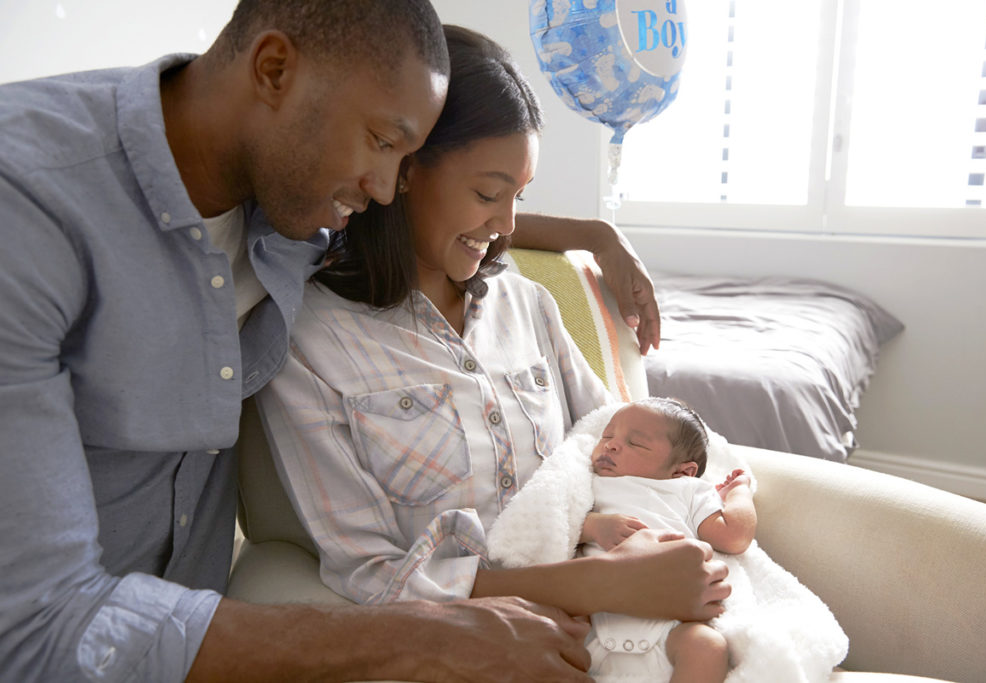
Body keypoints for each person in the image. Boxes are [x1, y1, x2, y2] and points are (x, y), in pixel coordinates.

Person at [0, 1, 670, 681]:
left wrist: (595, 236)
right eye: (383, 142)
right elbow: (38, 626)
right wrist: (421, 635)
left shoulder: (297, 190)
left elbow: (443, 210)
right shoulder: (27, 206)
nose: (385, 187)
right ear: (273, 69)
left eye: (404, 157)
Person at [256, 22, 729, 649]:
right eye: (488, 193)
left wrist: (718, 498)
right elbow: (372, 573)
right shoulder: (310, 340)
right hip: (493, 641)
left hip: (624, 613)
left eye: (520, 197)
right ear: (402, 170)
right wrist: (602, 586)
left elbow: (613, 440)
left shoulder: (526, 303)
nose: (506, 225)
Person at [581, 398, 756, 683]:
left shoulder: (687, 490)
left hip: (668, 624)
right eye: (607, 436)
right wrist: (591, 527)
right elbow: (554, 525)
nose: (611, 445)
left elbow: (735, 536)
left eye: (635, 443)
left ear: (681, 471)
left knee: (707, 647)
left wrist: (739, 492)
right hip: (589, 617)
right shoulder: (585, 481)